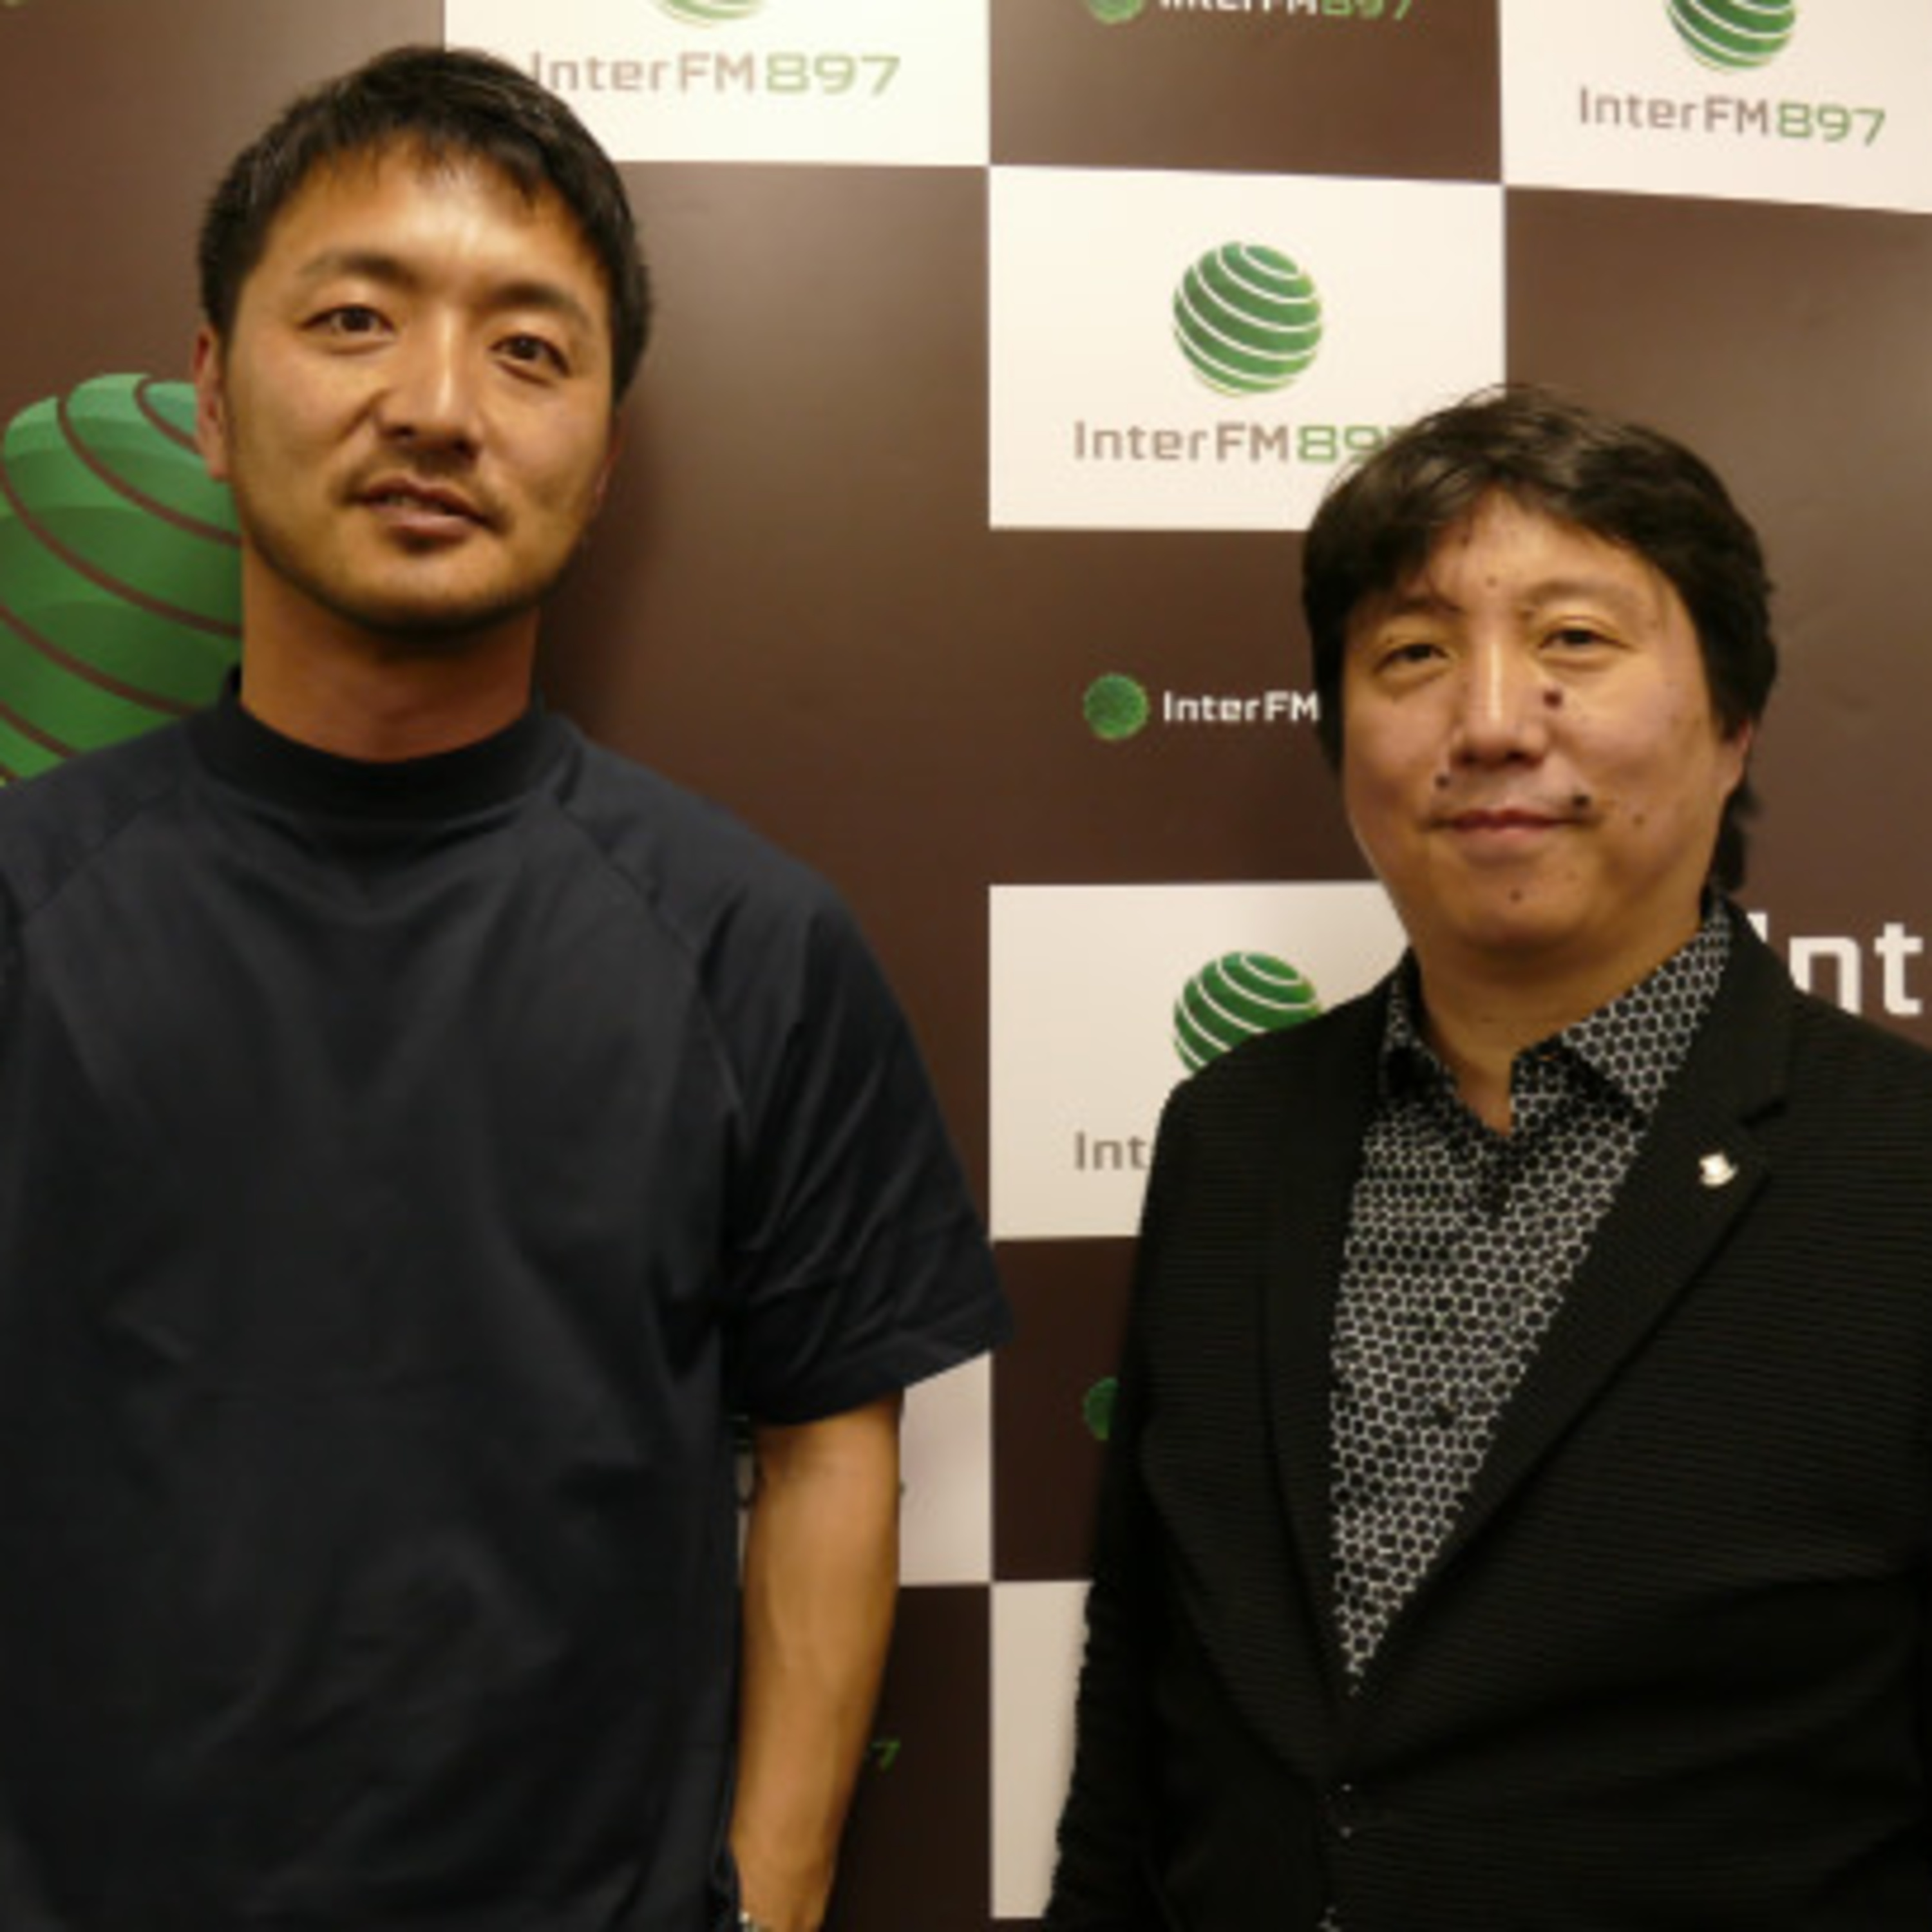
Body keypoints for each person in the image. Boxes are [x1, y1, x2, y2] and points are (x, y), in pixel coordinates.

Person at [0, 45, 1008, 1932]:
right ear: (210, 395)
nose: (438, 406)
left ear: (604, 457)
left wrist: (771, 1903)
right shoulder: (25, 906)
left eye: (529, 349)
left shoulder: (751, 941)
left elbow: (828, 1445)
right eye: (356, 319)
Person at [1045, 386, 1932, 1929]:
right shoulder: (1233, 1139)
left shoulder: (1899, 1173)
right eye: (1414, 654)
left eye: (1575, 640)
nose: (1495, 721)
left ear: (1734, 726)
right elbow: (1144, 1683)